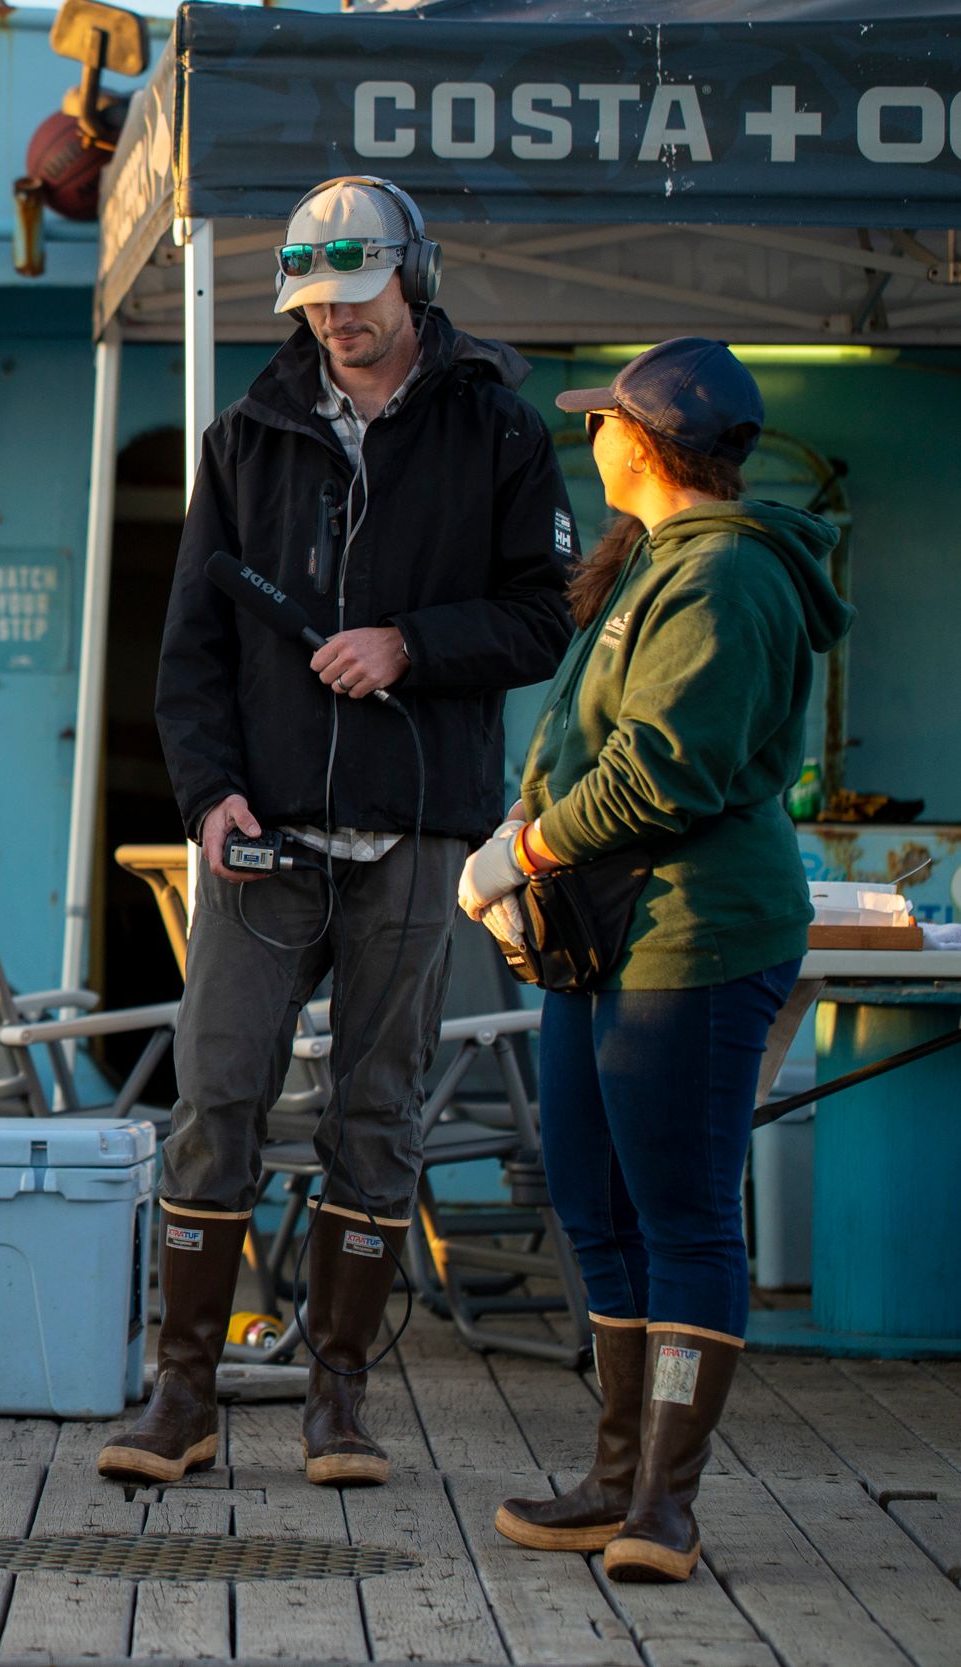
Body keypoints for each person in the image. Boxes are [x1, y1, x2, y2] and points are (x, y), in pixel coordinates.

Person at [115, 177, 575, 1490]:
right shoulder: (244, 436)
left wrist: (413, 646)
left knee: (377, 1116)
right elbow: (190, 648)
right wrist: (209, 795)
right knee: (214, 1098)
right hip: (266, 843)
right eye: (314, 304)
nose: (336, 326)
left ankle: (339, 1398)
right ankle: (183, 1392)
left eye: (356, 297)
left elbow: (545, 614)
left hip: (421, 833)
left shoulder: (499, 427)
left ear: (412, 277)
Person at [475, 339, 850, 1581]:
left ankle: (664, 1504)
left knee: (683, 1219)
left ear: (639, 441)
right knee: (593, 1201)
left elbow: (662, 771)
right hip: (606, 938)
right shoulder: (657, 563)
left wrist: (521, 850)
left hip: (689, 936)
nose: (587, 438)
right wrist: (528, 847)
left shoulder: (728, 574)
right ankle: (611, 1470)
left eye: (600, 423)